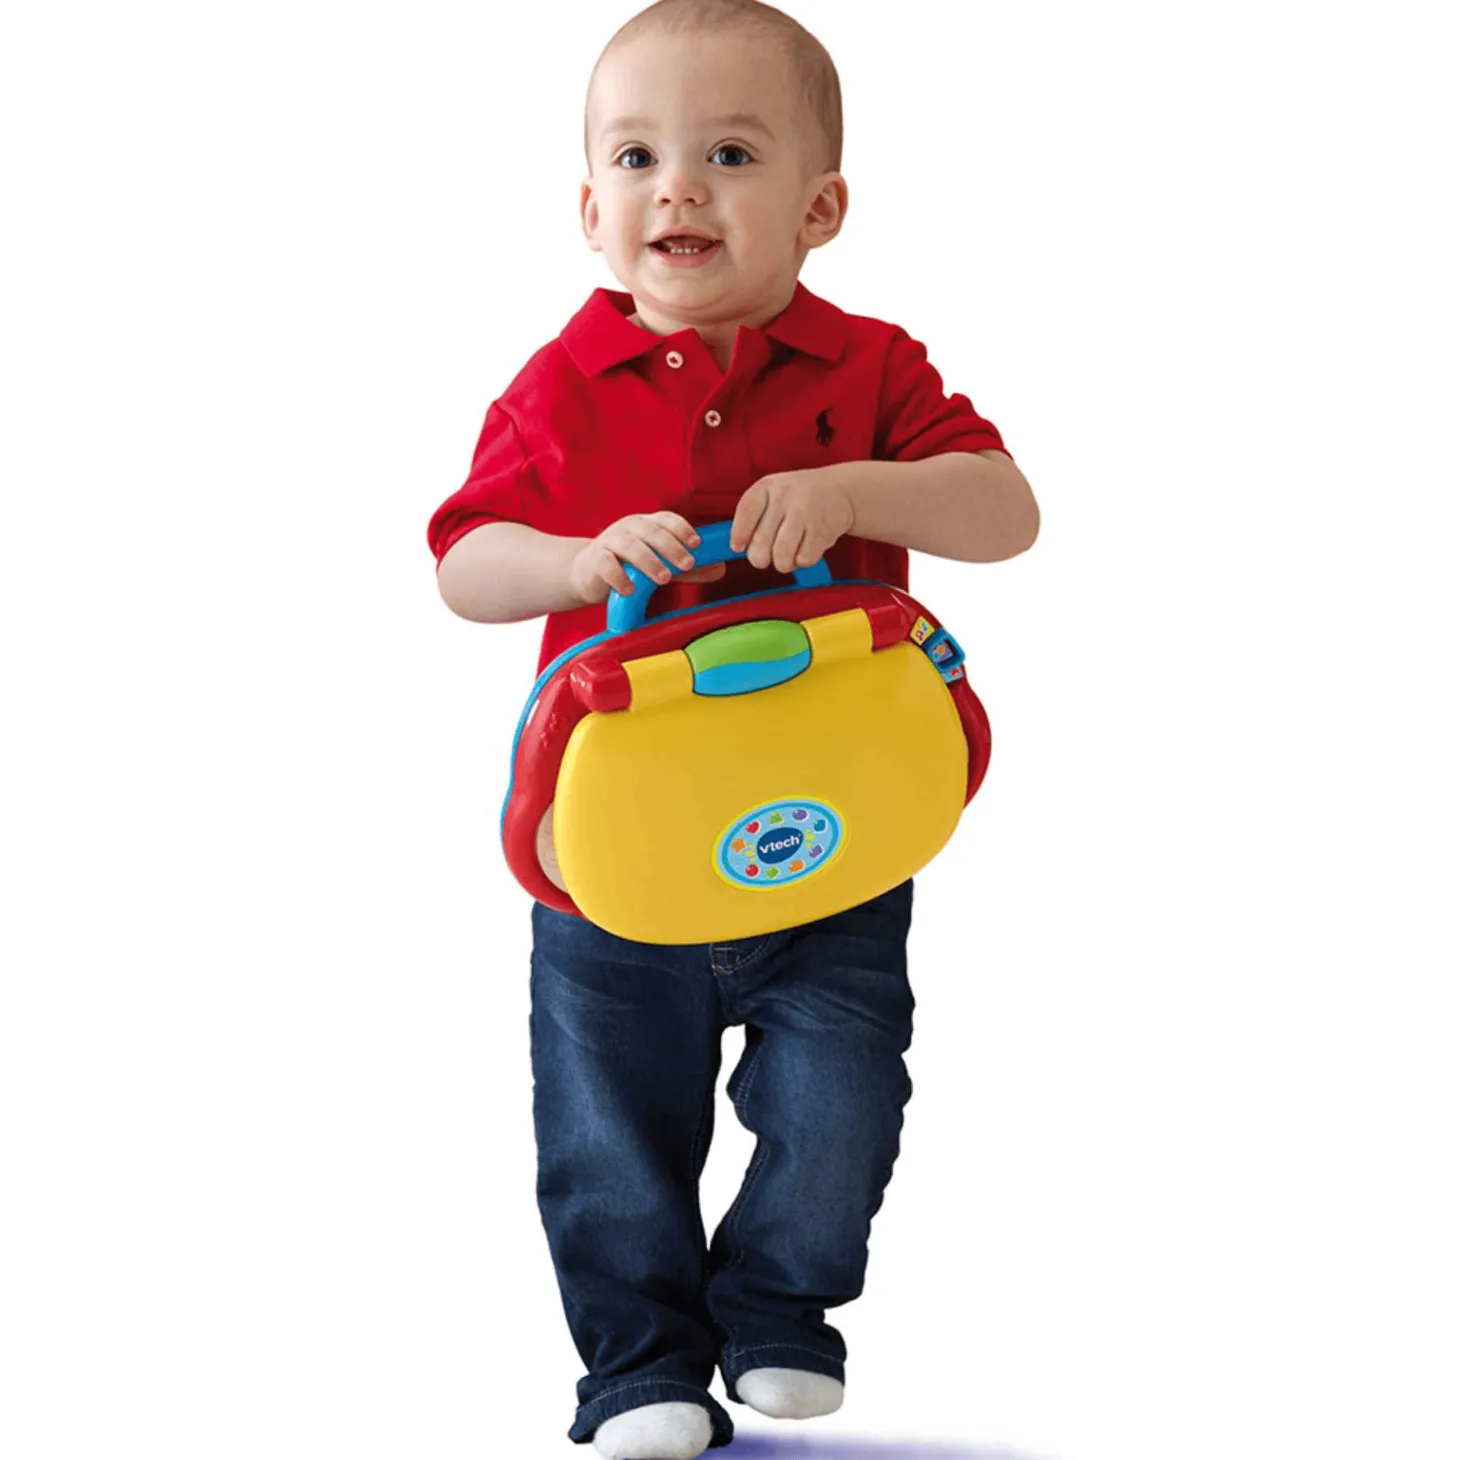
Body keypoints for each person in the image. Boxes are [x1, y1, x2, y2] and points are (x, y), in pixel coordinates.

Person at [426, 2, 1039, 1455]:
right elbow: (462, 563)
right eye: (637, 157)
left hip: (832, 834)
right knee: (607, 1124)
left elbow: (1007, 511)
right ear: (591, 209)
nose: (678, 189)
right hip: (613, 846)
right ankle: (639, 1366)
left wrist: (856, 492)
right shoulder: (558, 387)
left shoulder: (869, 367)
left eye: (731, 154)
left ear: (821, 208)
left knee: (843, 1094)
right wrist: (573, 562)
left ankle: (778, 1314)